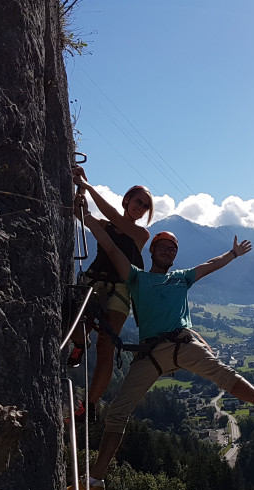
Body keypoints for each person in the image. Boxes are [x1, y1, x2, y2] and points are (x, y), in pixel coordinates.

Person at [68, 196, 254, 490]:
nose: (168, 251)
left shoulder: (181, 278)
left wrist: (232, 254)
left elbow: (210, 266)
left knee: (222, 374)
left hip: (180, 342)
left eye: (172, 249)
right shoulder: (137, 278)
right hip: (151, 354)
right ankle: (95, 481)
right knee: (118, 413)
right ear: (152, 251)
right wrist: (83, 216)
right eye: (163, 247)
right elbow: (110, 247)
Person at [68, 166, 153, 422]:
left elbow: (114, 218)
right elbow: (81, 214)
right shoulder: (106, 224)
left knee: (107, 344)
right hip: (95, 281)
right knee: (74, 323)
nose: (141, 207)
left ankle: (89, 406)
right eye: (138, 201)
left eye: (146, 206)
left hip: (119, 290)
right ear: (127, 199)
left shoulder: (141, 234)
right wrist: (79, 188)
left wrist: (87, 184)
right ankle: (81, 344)